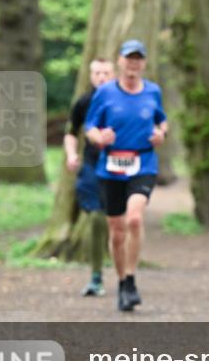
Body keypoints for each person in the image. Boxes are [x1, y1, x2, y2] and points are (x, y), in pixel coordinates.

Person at [85, 40, 169, 312]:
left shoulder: (153, 91)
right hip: (110, 167)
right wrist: (99, 137)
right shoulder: (106, 93)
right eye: (128, 58)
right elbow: (89, 126)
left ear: (143, 63)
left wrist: (161, 134)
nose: (133, 64)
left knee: (134, 218)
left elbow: (161, 120)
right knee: (116, 231)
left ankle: (131, 279)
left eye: (138, 59)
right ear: (120, 61)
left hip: (142, 163)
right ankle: (121, 282)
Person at [65, 58, 115, 296]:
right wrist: (71, 154)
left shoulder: (125, 100)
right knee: (96, 217)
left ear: (114, 74)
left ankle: (126, 276)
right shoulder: (83, 102)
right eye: (97, 73)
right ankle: (96, 276)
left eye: (106, 73)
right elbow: (71, 133)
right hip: (93, 165)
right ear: (90, 75)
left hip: (122, 168)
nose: (101, 77)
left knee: (122, 222)